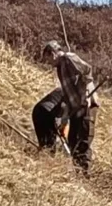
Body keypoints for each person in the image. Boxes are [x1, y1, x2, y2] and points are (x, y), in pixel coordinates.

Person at [37, 42, 97, 170]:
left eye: (48, 59)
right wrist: (65, 114)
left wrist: (86, 93)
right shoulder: (59, 68)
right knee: (72, 140)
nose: (49, 64)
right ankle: (77, 170)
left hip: (86, 104)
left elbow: (87, 71)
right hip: (75, 107)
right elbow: (66, 92)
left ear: (52, 54)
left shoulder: (69, 58)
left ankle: (86, 173)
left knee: (83, 140)